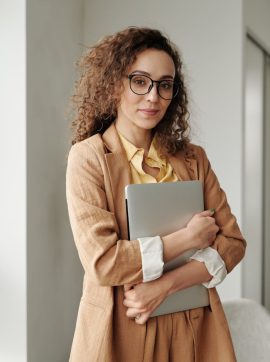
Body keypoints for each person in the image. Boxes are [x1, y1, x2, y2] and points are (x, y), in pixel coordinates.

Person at [66, 27, 246, 362]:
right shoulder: (88, 158)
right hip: (122, 327)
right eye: (140, 81)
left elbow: (233, 243)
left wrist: (165, 286)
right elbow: (103, 262)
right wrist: (188, 238)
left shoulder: (194, 158)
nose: (153, 96)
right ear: (115, 83)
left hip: (194, 327)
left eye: (165, 85)